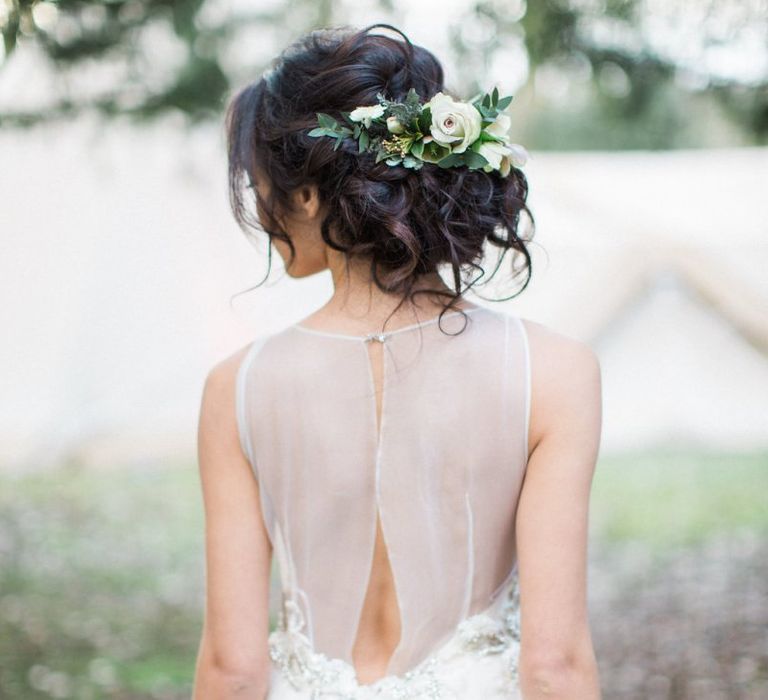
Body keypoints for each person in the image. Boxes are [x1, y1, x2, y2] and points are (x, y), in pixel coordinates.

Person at [193, 23, 602, 700]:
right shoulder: (557, 374)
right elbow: (554, 664)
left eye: (262, 183)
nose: (260, 209)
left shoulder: (235, 389)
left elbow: (232, 670)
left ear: (306, 194)